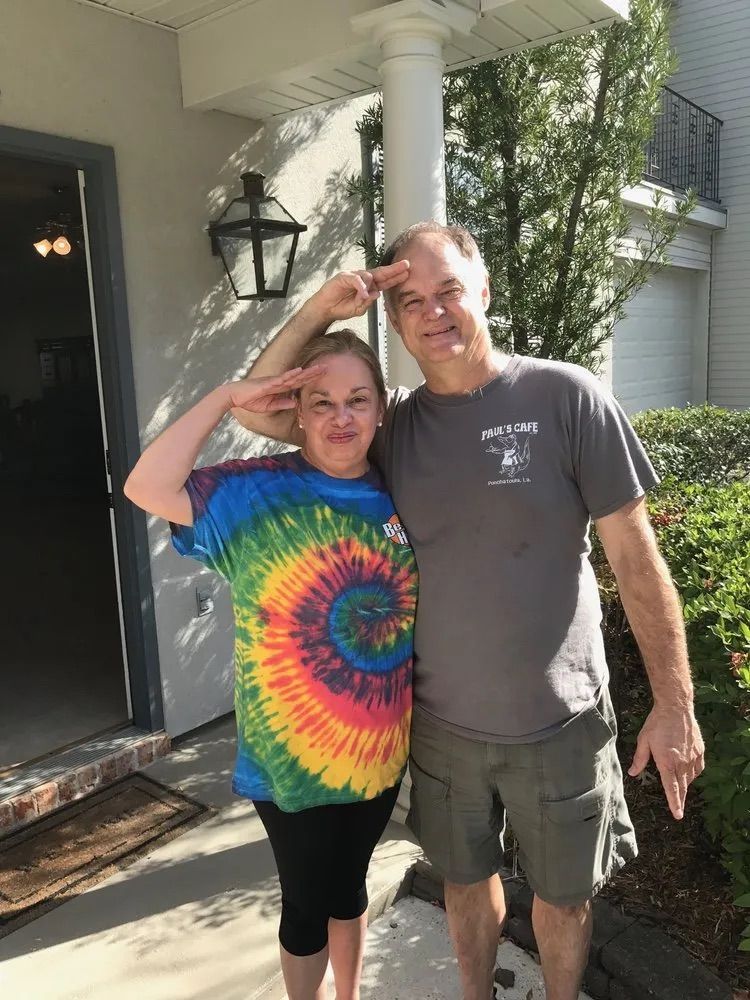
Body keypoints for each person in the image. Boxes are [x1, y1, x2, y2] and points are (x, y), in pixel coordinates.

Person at [233, 223, 705, 1000]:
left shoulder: (566, 396)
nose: (433, 311)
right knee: (463, 881)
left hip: (562, 720)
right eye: (411, 300)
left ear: (483, 291)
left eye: (448, 289)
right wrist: (320, 307)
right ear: (396, 322)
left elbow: (636, 559)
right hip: (442, 726)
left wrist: (675, 702)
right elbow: (257, 411)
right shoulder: (392, 429)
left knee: (564, 896)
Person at [124, 329, 418, 1000]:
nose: (342, 418)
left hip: (379, 752)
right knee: (307, 903)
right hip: (291, 760)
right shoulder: (253, 494)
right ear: (297, 414)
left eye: (358, 400)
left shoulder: (402, 492)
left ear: (378, 409)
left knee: (349, 889)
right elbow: (146, 484)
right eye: (322, 403)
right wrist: (227, 397)